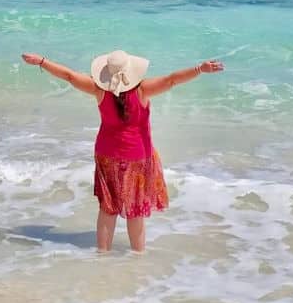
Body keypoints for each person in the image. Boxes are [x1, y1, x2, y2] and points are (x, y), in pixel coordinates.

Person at [21, 49, 224, 252]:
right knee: (135, 212)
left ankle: (102, 256)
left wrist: (42, 61)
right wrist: (200, 69)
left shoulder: (99, 90)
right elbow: (172, 80)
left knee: (107, 208)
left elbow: (69, 75)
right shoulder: (143, 90)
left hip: (106, 154)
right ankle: (138, 257)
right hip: (136, 156)